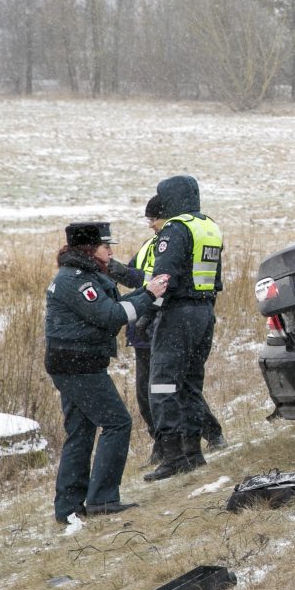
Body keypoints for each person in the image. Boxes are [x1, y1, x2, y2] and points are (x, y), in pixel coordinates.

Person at [45, 221, 169, 523]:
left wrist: (146, 292)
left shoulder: (83, 275)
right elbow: (110, 316)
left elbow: (111, 307)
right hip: (79, 365)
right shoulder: (76, 281)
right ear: (89, 249)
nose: (111, 252)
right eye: (105, 246)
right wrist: (148, 296)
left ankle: (68, 507)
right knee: (117, 423)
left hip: (73, 363)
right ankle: (102, 499)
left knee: (81, 432)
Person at [108, 196, 225, 467]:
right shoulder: (155, 243)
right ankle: (167, 448)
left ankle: (194, 444)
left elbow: (162, 281)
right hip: (153, 325)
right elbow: (139, 276)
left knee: (170, 387)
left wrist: (145, 311)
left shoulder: (176, 237)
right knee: (153, 392)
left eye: (153, 219)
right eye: (148, 220)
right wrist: (116, 271)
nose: (151, 225)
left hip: (166, 318)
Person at [143, 175, 225, 482]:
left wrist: (147, 312)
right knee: (191, 383)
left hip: (178, 314)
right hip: (204, 312)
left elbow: (164, 278)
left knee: (163, 385)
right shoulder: (209, 226)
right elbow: (215, 279)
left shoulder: (175, 229)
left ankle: (173, 456)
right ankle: (193, 452)